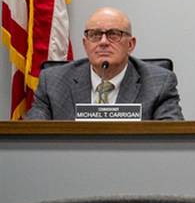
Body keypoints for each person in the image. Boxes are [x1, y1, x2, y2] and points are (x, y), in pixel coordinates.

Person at [25, 7, 184, 120]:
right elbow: (32, 135)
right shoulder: (53, 82)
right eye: (94, 35)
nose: (103, 42)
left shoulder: (159, 84)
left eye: (113, 34)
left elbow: (170, 138)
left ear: (131, 45)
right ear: (85, 44)